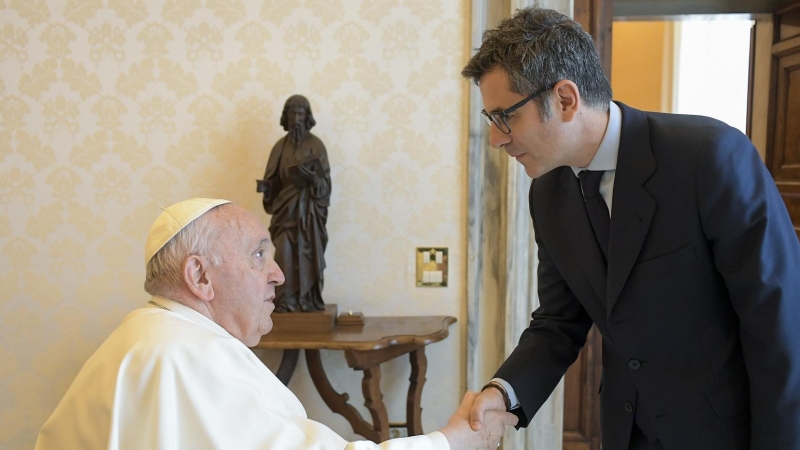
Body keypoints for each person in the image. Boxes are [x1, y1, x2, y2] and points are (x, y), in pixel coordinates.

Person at [462, 7, 800, 450]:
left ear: (565, 99)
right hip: (625, 431)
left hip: (725, 432)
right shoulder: (548, 194)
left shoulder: (710, 157)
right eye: (491, 121)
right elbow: (558, 321)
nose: (497, 139)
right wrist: (502, 392)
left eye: (505, 117)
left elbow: (780, 325)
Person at [34, 198, 517, 450]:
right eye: (258, 255)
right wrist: (453, 441)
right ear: (200, 276)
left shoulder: (147, 334)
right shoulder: (187, 356)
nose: (279, 274)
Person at [259, 94, 331, 312]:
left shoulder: (316, 145)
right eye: (293, 113)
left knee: (309, 257)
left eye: (301, 114)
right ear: (286, 116)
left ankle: (307, 300)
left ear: (307, 116)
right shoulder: (279, 147)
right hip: (285, 215)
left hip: (309, 217)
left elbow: (325, 186)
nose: (296, 118)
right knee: (284, 256)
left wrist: (312, 179)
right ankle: (285, 301)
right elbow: (272, 180)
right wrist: (267, 189)